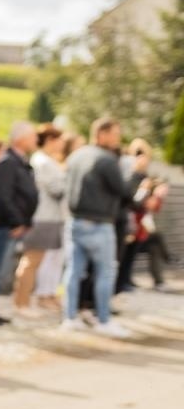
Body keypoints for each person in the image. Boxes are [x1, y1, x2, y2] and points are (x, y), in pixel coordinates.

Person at [60, 116, 133, 337]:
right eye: (115, 134)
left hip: (75, 221)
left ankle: (70, 317)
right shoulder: (106, 160)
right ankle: (103, 320)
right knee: (105, 272)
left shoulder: (76, 156)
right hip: (99, 223)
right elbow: (123, 191)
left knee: (74, 271)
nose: (117, 139)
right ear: (102, 133)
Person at [0, 121, 40, 325]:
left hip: (13, 226)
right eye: (32, 136)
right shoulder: (8, 163)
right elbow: (2, 196)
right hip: (6, 226)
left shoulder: (18, 162)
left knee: (0, 271)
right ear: (20, 138)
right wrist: (16, 221)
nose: (35, 140)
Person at [13, 124, 68, 314]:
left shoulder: (46, 161)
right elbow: (57, 189)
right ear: (51, 140)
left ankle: (34, 299)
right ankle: (22, 303)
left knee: (41, 260)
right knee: (32, 261)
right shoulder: (42, 162)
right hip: (42, 217)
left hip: (49, 217)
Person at [117, 141, 167, 292]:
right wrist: (144, 191)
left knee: (132, 253)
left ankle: (127, 279)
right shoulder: (131, 176)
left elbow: (151, 203)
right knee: (126, 254)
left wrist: (156, 196)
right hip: (132, 221)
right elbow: (133, 201)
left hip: (141, 222)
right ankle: (122, 281)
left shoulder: (145, 177)